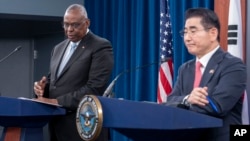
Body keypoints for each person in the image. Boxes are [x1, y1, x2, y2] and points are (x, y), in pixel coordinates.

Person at [33, 4, 114, 141]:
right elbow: (54, 82)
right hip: (57, 127)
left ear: (87, 23)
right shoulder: (58, 49)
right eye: (66, 24)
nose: (69, 29)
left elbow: (94, 88)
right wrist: (42, 88)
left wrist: (56, 101)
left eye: (75, 25)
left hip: (84, 127)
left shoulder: (100, 46)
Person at [166, 8, 246, 141]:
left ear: (213, 33)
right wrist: (187, 99)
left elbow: (218, 106)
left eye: (193, 31)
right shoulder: (185, 69)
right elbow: (170, 101)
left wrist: (183, 104)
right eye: (185, 32)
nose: (187, 38)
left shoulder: (233, 65)